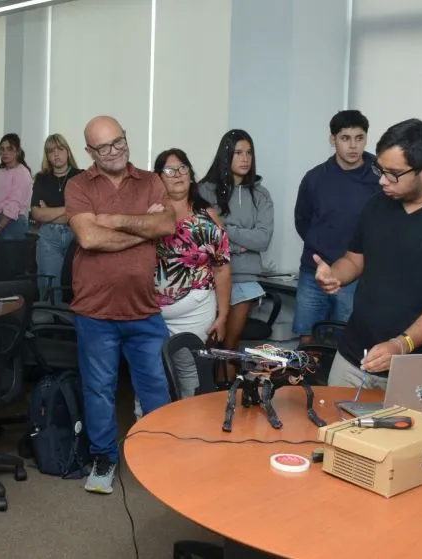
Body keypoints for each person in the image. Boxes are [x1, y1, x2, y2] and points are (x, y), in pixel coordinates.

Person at [314, 118, 422, 387]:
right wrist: (334, 275)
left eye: (394, 173)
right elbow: (354, 259)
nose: (383, 181)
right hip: (355, 358)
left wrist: (401, 344)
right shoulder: (378, 205)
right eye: (380, 170)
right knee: (335, 428)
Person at [65, 115, 176, 494]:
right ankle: (104, 457)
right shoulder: (78, 185)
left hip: (144, 310)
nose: (115, 152)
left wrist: (111, 219)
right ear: (89, 153)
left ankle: (160, 453)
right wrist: (139, 231)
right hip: (94, 311)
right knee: (98, 389)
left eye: (119, 142)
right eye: (104, 147)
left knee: (156, 386)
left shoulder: (149, 181)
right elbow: (89, 238)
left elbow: (165, 226)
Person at [293, 110, 380, 342]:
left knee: (349, 339)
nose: (353, 146)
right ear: (333, 140)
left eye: (359, 138)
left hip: (358, 275)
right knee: (307, 338)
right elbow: (302, 220)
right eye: (345, 138)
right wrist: (321, 247)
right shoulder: (315, 178)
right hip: (314, 272)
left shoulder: (380, 176)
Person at [153, 148, 231, 400]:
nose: (177, 175)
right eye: (169, 170)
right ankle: (146, 429)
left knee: (189, 374)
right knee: (151, 373)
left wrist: (224, 314)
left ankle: (187, 429)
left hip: (195, 312)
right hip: (150, 313)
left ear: (191, 174)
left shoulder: (207, 217)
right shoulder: (148, 215)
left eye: (182, 168)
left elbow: (221, 268)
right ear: (158, 177)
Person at [198, 130, 274, 383]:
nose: (245, 159)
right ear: (226, 155)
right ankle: (209, 391)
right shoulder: (205, 191)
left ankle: (226, 388)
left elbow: (263, 239)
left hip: (245, 278)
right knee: (209, 339)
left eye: (249, 153)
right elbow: (205, 237)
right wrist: (239, 245)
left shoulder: (260, 194)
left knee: (231, 342)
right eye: (238, 153)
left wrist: (226, 230)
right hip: (210, 277)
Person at [31, 133, 82, 301]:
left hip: (76, 234)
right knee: (49, 285)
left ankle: (68, 323)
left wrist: (50, 212)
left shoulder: (81, 177)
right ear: (47, 156)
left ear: (68, 152)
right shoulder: (41, 178)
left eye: (60, 149)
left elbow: (83, 212)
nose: (56, 154)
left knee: (75, 283)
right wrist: (68, 209)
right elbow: (37, 214)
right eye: (51, 151)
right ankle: (49, 323)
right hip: (48, 237)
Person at [0, 133, 32, 241]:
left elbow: (13, 205)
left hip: (12, 223)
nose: (5, 152)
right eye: (2, 149)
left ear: (18, 151)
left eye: (9, 149)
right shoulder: (1, 172)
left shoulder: (22, 173)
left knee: (8, 256)